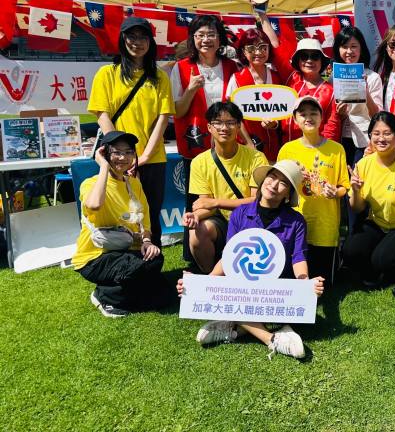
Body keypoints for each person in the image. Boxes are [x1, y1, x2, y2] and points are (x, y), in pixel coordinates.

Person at [177, 160, 325, 359]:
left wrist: (304, 283)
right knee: (234, 294)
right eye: (272, 177)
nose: (273, 185)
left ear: (288, 194)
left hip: (277, 285)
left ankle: (236, 328)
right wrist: (203, 283)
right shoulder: (239, 214)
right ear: (263, 180)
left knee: (269, 300)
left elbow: (298, 256)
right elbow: (230, 256)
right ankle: (273, 338)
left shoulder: (296, 221)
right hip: (244, 283)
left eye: (283, 183)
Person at [88, 16, 174, 247]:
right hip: (119, 160)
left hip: (153, 159)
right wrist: (121, 154)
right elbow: (102, 114)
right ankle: (126, 267)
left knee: (150, 214)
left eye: (143, 37)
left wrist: (143, 157)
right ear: (122, 39)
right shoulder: (107, 74)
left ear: (151, 42)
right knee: (120, 213)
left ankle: (152, 265)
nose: (137, 42)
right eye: (131, 36)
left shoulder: (160, 77)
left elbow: (163, 119)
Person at [72, 132, 167, 318]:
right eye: (116, 152)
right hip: (95, 257)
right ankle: (104, 295)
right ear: (105, 154)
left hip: (126, 249)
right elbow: (94, 204)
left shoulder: (134, 184)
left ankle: (128, 294)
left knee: (159, 276)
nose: (122, 158)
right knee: (134, 268)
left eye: (128, 152)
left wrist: (147, 242)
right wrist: (103, 168)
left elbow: (145, 220)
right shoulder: (91, 183)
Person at [342, 112, 395, 297]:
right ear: (370, 136)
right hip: (380, 222)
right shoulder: (363, 164)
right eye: (376, 133)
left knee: (384, 258)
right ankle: (375, 273)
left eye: (387, 133)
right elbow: (357, 208)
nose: (381, 138)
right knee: (350, 250)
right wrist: (356, 190)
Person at [185, 102, 268, 273]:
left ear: (239, 126)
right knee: (197, 231)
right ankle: (213, 280)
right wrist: (194, 216)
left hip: (252, 220)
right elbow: (205, 206)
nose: (224, 128)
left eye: (230, 123)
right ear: (209, 127)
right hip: (221, 221)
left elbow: (255, 201)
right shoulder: (199, 162)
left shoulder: (257, 158)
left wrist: (215, 203)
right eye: (218, 122)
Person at [277, 96, 349, 284]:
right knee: (296, 280)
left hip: (326, 224)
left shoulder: (336, 149)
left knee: (324, 283)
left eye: (313, 113)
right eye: (303, 114)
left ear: (322, 117)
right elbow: (279, 187)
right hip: (296, 224)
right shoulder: (287, 149)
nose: (308, 118)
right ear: (294, 119)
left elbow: (344, 187)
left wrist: (336, 192)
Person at [171, 14, 239, 159]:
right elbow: (176, 112)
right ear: (193, 38)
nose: (206, 40)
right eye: (200, 35)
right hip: (195, 144)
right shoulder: (181, 67)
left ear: (220, 38)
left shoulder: (232, 67)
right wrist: (191, 90)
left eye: (211, 35)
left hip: (228, 146)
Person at [225, 27, 283, 161]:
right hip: (247, 146)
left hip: (276, 146)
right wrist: (248, 143)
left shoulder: (277, 78)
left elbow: (285, 110)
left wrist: (275, 124)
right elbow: (233, 116)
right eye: (251, 48)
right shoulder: (237, 79)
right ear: (243, 52)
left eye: (263, 47)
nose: (258, 52)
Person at [333, 26, 384, 167]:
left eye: (354, 46)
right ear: (338, 49)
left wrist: (365, 92)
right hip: (338, 137)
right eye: (344, 46)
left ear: (361, 49)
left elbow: (377, 115)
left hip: (364, 140)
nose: (349, 51)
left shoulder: (373, 78)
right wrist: (341, 114)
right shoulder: (332, 79)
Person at [283, 38, 341, 142]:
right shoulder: (291, 78)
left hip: (315, 150)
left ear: (321, 61)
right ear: (298, 60)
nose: (309, 60)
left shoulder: (330, 91)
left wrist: (323, 149)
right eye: (304, 56)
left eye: (315, 57)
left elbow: (332, 125)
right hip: (287, 146)